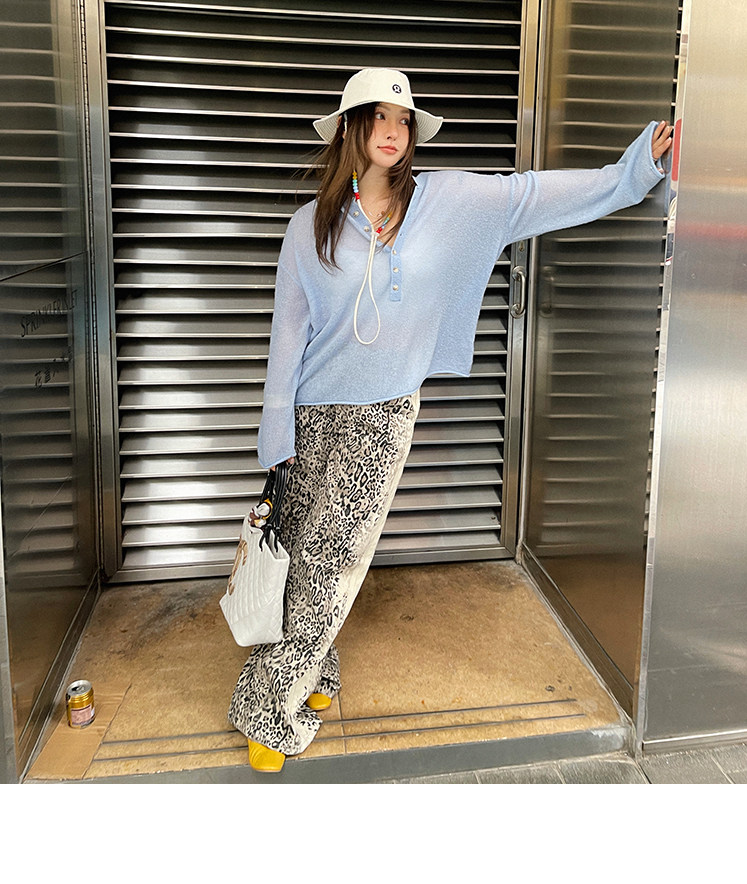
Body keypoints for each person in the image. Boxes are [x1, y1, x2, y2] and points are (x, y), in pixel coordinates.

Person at [228, 67, 673, 772]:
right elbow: (288, 332)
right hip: (312, 412)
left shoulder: (449, 201)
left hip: (381, 417)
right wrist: (274, 429)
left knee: (332, 563)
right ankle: (309, 672)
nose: (392, 131)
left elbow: (534, 195)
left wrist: (632, 171)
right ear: (350, 129)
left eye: (402, 120)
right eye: (377, 117)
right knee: (305, 554)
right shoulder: (310, 224)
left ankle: (266, 706)